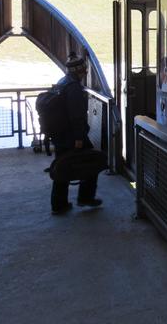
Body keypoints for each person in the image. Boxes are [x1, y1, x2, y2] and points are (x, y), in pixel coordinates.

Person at [50, 52, 102, 215]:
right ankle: (85, 197)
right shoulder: (74, 88)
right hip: (71, 135)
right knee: (91, 162)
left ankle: (59, 205)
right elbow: (77, 116)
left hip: (60, 134)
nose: (85, 72)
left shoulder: (62, 82)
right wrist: (79, 138)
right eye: (84, 69)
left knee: (62, 166)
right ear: (79, 70)